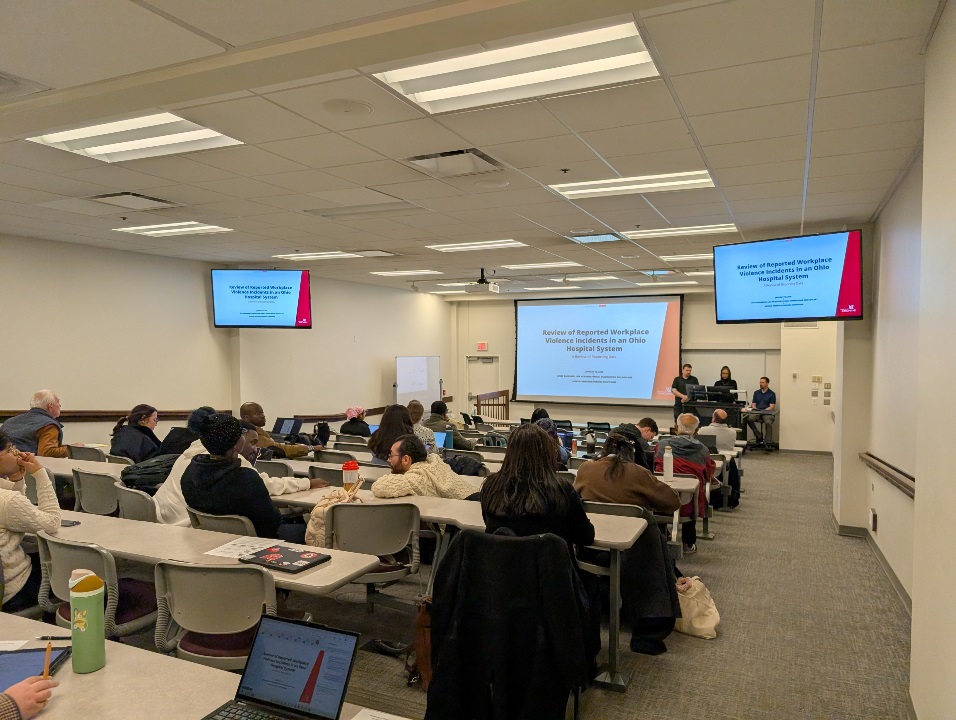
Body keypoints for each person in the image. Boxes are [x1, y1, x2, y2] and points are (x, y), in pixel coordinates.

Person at [154, 413, 325, 527]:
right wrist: (307, 482)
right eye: (250, 442)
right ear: (238, 441)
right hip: (191, 528)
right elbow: (270, 519)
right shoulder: (240, 471)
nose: (253, 448)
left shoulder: (190, 461)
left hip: (165, 518)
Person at [181, 413, 307, 542]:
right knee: (307, 530)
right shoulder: (246, 478)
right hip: (258, 544)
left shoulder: (189, 474)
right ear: (237, 443)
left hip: (213, 540)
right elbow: (271, 523)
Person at [480, 423, 594, 565]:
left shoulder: (491, 487)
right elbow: (586, 537)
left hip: (499, 577)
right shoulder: (562, 490)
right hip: (552, 580)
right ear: (547, 454)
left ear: (509, 452)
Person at [0, 432, 61, 613]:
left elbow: (17, 516)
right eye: (11, 449)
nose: (18, 453)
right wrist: (40, 474)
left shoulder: (8, 500)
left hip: (5, 580)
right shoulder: (7, 501)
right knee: (79, 572)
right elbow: (52, 522)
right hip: (13, 588)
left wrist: (17, 481)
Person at [574, 432, 681, 513]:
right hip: (634, 535)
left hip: (594, 531)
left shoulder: (586, 468)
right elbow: (673, 502)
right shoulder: (639, 472)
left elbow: (573, 497)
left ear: (603, 450)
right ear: (631, 452)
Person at [654, 413, 715, 554]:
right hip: (688, 503)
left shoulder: (661, 445)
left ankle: (663, 537)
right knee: (692, 493)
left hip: (661, 497)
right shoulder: (703, 450)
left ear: (675, 427)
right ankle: (688, 543)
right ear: (696, 430)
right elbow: (708, 473)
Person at [371, 435, 480, 500]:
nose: (389, 460)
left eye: (391, 455)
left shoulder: (419, 476)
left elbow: (379, 487)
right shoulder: (433, 461)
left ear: (406, 459)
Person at [1, 391, 71, 458]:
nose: (60, 405)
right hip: (24, 467)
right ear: (50, 407)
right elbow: (47, 453)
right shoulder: (49, 425)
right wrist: (73, 449)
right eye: (58, 402)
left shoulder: (9, 421)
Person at [239, 402, 313, 459]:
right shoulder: (253, 435)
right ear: (246, 418)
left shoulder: (248, 431)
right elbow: (283, 450)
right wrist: (311, 448)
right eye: (258, 413)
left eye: (262, 412)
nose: (263, 416)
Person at [747, 376, 777, 445]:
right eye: (760, 382)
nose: (761, 384)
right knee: (749, 419)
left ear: (767, 383)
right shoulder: (756, 393)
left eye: (762, 382)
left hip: (767, 413)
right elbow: (753, 404)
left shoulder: (772, 394)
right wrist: (755, 408)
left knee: (768, 422)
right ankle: (758, 436)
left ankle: (768, 442)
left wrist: (763, 410)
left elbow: (771, 407)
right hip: (757, 412)